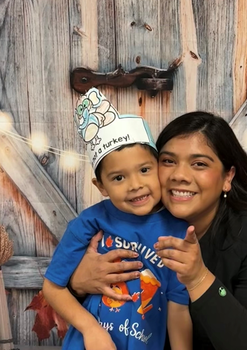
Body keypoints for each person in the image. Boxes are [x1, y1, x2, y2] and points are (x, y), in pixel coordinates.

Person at [67, 111, 247, 350]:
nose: (179, 175)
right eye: (168, 161)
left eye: (199, 164)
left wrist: (198, 278)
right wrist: (79, 283)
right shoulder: (133, 222)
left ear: (227, 177)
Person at [42, 88, 193, 350]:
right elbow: (52, 288)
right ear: (101, 186)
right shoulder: (90, 223)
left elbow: (178, 309)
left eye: (144, 170)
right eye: (119, 177)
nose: (135, 185)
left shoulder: (177, 232)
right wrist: (90, 329)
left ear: (159, 167)